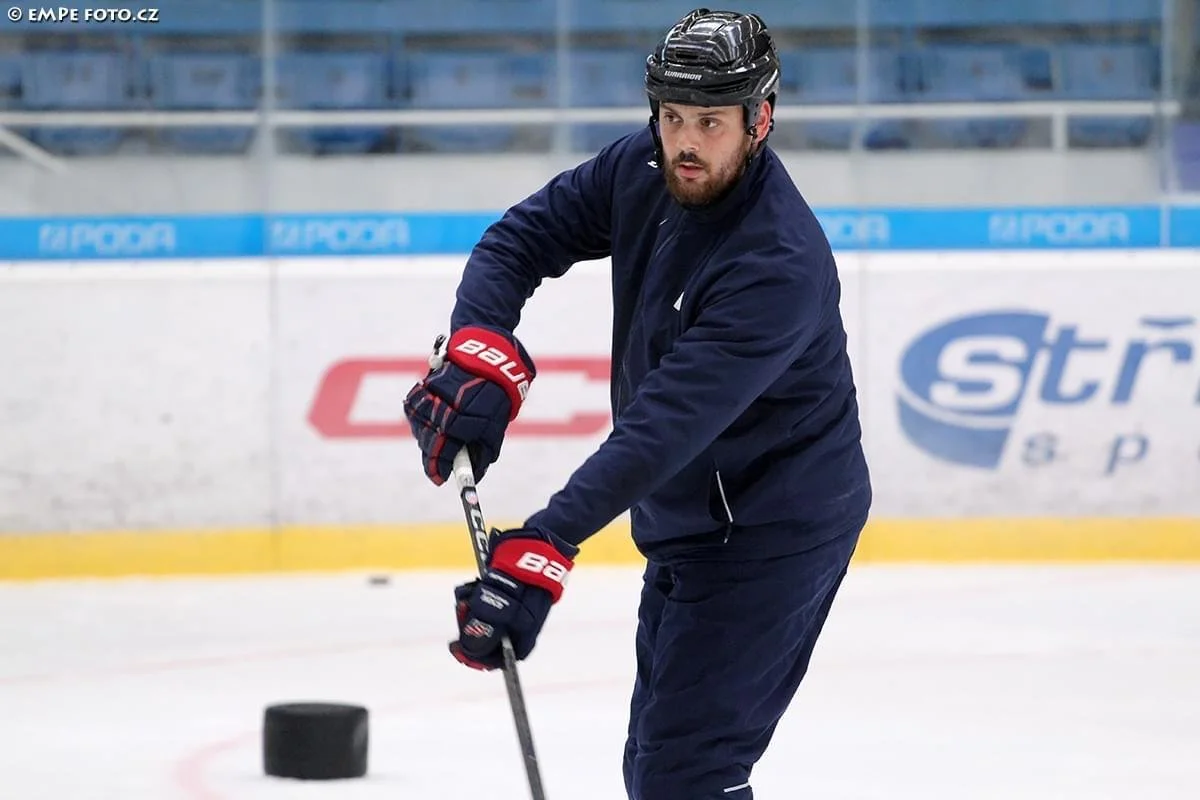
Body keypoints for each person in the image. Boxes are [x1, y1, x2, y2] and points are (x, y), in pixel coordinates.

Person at [403, 8, 872, 798]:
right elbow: (517, 240)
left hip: (771, 531)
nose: (686, 142)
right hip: (692, 519)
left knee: (687, 773)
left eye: (711, 122)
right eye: (672, 116)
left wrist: (549, 540)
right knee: (660, 766)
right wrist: (477, 343)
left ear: (760, 120)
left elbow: (665, 426)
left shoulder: (777, 264)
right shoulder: (643, 168)